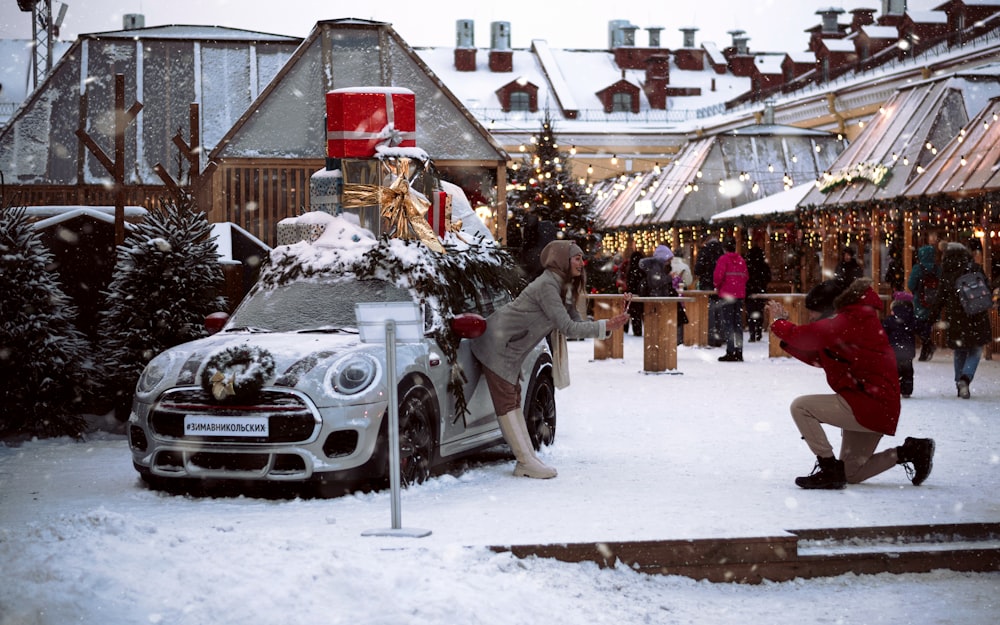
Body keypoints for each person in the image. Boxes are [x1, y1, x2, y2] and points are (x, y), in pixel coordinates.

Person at [471, 240, 630, 479]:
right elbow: (567, 327)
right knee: (507, 402)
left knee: (513, 398)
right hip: (497, 344)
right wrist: (603, 326)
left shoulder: (563, 286)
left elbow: (576, 320)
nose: (581, 262)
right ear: (561, 259)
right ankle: (525, 461)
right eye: (576, 258)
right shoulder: (547, 285)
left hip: (510, 347)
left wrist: (608, 325)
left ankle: (528, 458)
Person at [766, 278, 935, 490]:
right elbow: (821, 356)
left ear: (828, 309)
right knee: (851, 473)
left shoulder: (850, 321)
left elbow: (806, 337)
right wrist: (786, 340)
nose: (810, 317)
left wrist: (779, 323)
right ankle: (911, 451)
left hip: (868, 403)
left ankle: (828, 468)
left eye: (813, 312)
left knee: (801, 407)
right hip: (874, 404)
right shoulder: (853, 320)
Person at [930, 242, 993, 399]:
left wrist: (932, 315)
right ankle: (966, 377)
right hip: (977, 313)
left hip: (957, 317)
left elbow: (940, 297)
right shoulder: (975, 268)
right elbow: (987, 288)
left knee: (960, 350)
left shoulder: (947, 272)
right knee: (976, 349)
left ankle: (959, 382)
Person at [713, 238, 749, 362]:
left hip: (727, 294)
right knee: (737, 323)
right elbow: (746, 276)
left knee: (728, 323)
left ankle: (730, 350)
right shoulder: (740, 260)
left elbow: (718, 276)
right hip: (739, 295)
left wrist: (718, 286)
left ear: (724, 248)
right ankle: (739, 351)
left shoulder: (723, 260)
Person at [907, 244, 942, 362]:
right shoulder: (938, 269)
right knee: (927, 325)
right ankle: (927, 347)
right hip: (934, 303)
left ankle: (927, 345)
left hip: (921, 302)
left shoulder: (918, 268)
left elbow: (911, 285)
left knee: (917, 325)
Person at [882, 291, 917, 399]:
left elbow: (883, 332)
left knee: (893, 371)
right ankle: (906, 390)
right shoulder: (912, 319)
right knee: (907, 371)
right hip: (907, 350)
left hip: (893, 350)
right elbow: (920, 328)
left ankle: (892, 389)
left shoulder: (889, 320)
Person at [695, 236, 725, 346]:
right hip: (720, 286)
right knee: (720, 312)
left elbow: (697, 270)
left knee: (709, 312)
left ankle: (710, 337)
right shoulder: (722, 253)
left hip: (706, 285)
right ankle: (721, 336)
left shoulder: (703, 252)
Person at [743, 246, 772, 342]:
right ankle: (758, 331)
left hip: (750, 292)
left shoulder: (747, 265)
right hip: (761, 291)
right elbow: (768, 278)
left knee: (750, 313)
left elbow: (745, 278)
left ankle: (752, 334)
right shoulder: (763, 265)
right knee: (759, 312)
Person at [624, 250, 647, 336]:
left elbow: (629, 282)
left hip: (632, 294)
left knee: (633, 313)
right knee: (641, 313)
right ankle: (641, 330)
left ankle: (634, 330)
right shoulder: (643, 270)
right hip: (641, 294)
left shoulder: (630, 270)